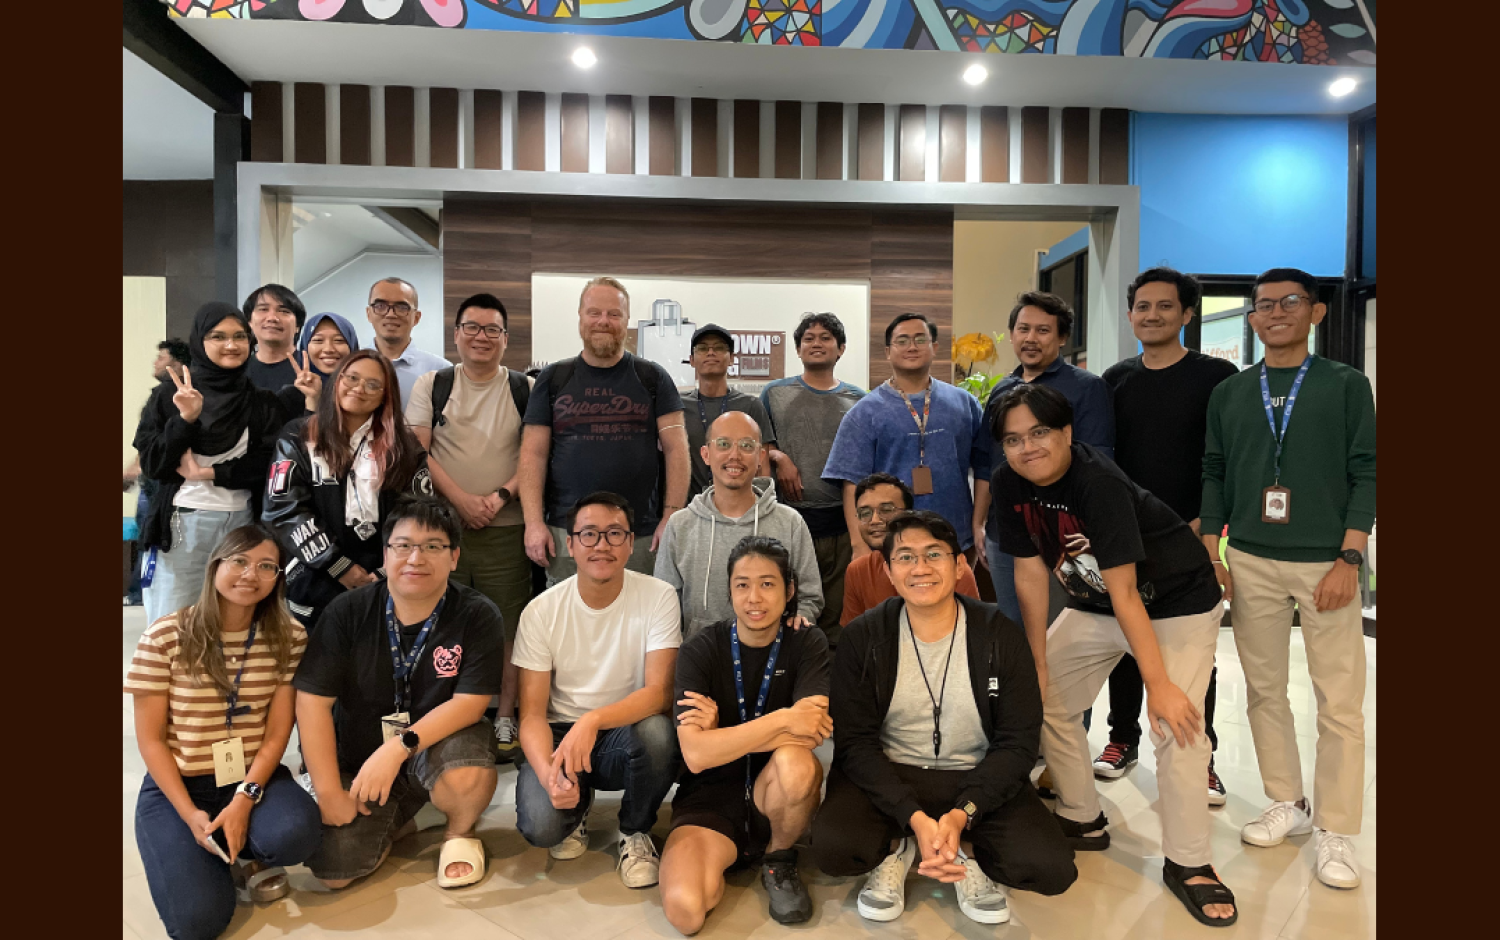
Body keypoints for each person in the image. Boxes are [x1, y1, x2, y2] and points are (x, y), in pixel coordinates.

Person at [991, 383, 1237, 927]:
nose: (1028, 447)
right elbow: (1030, 572)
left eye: (1039, 433)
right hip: (1094, 602)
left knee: (1178, 723)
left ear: (1067, 433)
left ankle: (1191, 863)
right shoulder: (1012, 484)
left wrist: (1160, 684)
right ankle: (1081, 816)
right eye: (1013, 439)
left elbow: (1126, 591)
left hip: (1175, 603)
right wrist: (1035, 658)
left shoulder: (1096, 481)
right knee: (1047, 697)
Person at [812, 510, 1075, 926]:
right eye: (905, 557)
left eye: (934, 554)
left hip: (975, 771)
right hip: (892, 773)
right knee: (834, 848)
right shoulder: (864, 635)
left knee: (1049, 867)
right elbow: (855, 743)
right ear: (889, 571)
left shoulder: (999, 632)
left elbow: (1018, 742)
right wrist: (912, 817)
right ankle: (902, 843)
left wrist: (963, 811)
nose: (920, 568)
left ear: (958, 565)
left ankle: (963, 848)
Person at [1201, 267, 1375, 890]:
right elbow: (1215, 470)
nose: (1275, 313)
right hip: (1249, 556)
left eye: (1289, 302)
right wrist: (1213, 551)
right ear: (1251, 318)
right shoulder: (1232, 392)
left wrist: (1350, 559)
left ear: (1316, 313)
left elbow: (1368, 472)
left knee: (1339, 702)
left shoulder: (1346, 385)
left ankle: (1337, 827)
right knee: (1265, 689)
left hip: (1325, 559)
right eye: (1263, 305)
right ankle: (1289, 804)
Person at [294, 497, 505, 890]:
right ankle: (398, 815)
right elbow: (311, 703)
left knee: (467, 768)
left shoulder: (477, 613)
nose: (416, 558)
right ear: (385, 554)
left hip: (431, 747)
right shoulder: (345, 611)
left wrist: (399, 747)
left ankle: (458, 833)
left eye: (432, 547)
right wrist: (328, 792)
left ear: (454, 557)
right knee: (335, 871)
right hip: (360, 759)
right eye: (403, 545)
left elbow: (471, 703)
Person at [126, 525, 320, 940]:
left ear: (278, 578)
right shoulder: (166, 635)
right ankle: (211, 851)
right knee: (198, 923)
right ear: (215, 565)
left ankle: (242, 849)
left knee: (296, 835)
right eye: (239, 561)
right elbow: (151, 740)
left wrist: (244, 800)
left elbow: (276, 735)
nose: (251, 574)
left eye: (266, 566)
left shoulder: (290, 637)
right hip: (179, 786)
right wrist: (189, 814)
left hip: (252, 779)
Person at [1095, 268, 1239, 801]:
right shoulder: (1114, 380)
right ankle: (1121, 739)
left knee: (1194, 648)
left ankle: (1201, 756)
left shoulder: (1215, 378)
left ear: (1187, 314)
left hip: (1191, 530)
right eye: (1142, 307)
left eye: (1164, 306)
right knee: (1128, 639)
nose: (1151, 315)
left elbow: (1224, 459)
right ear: (1130, 314)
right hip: (1126, 532)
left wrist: (1207, 519)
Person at [511, 492, 682, 888]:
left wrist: (594, 720)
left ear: (630, 542)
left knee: (659, 732)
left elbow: (659, 693)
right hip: (559, 735)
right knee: (542, 826)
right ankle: (574, 806)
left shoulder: (658, 597)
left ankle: (634, 831)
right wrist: (547, 772)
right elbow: (532, 715)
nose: (602, 545)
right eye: (589, 534)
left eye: (614, 534)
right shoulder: (541, 611)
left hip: (625, 730)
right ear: (569, 545)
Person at [661, 537, 831, 933]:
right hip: (710, 795)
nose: (754, 597)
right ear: (730, 590)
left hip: (774, 793)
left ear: (789, 591)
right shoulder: (701, 648)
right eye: (742, 584)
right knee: (686, 911)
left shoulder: (807, 642)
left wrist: (721, 735)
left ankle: (779, 857)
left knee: (795, 761)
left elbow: (811, 728)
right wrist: (784, 720)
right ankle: (721, 857)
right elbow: (697, 757)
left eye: (768, 584)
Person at [406, 293, 534, 761]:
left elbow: (534, 456)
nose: (482, 337)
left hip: (508, 527)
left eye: (492, 330)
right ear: (456, 334)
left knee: (508, 624)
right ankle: (444, 715)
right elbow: (420, 451)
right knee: (443, 621)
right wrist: (460, 502)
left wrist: (498, 498)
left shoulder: (525, 389)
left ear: (505, 338)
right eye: (472, 328)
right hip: (445, 530)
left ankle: (503, 715)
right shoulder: (432, 384)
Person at [519, 277, 690, 587]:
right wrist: (533, 523)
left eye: (614, 314)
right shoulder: (553, 378)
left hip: (641, 535)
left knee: (637, 626)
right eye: (594, 312)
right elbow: (533, 453)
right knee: (568, 627)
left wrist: (672, 516)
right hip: (566, 534)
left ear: (626, 321)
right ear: (581, 318)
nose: (603, 321)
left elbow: (677, 450)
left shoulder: (653, 378)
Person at [135, 302, 294, 626]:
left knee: (231, 625)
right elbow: (153, 464)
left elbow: (269, 465)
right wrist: (185, 419)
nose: (231, 345)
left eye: (239, 336)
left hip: (243, 524)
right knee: (175, 626)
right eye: (218, 336)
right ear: (200, 342)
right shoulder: (169, 395)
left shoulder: (260, 401)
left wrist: (211, 472)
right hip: (182, 525)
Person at [263, 350, 432, 630]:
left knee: (373, 666)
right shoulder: (298, 436)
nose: (359, 388)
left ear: (385, 394)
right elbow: (283, 508)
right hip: (314, 577)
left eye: (373, 384)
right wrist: (337, 565)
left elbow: (417, 510)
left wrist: (387, 567)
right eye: (351, 378)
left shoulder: (404, 445)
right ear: (337, 381)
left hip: (386, 577)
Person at [979, 291, 1115, 624]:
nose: (1031, 338)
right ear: (1012, 335)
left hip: (1063, 534)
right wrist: (978, 520)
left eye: (1043, 330)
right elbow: (987, 459)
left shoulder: (1086, 388)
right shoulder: (1001, 391)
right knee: (1012, 628)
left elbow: (1096, 462)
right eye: (1023, 329)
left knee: (1061, 634)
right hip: (1004, 531)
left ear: (1062, 338)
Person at [823, 313, 992, 568]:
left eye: (919, 339)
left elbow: (984, 468)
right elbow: (851, 484)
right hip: (889, 544)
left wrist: (979, 524)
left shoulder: (964, 404)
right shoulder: (864, 412)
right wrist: (859, 544)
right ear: (888, 352)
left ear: (934, 348)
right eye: (902, 340)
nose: (912, 346)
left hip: (957, 538)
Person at [655, 411, 823, 638]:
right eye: (723, 444)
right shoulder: (680, 525)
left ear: (760, 456)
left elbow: (810, 597)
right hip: (700, 659)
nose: (735, 455)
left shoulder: (790, 522)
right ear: (705, 454)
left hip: (771, 654)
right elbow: (664, 604)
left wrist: (799, 620)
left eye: (746, 445)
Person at [760, 313, 866, 646]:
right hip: (789, 521)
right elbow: (762, 445)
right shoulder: (774, 394)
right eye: (808, 338)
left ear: (841, 349)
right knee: (788, 609)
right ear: (798, 348)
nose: (816, 343)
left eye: (825, 338)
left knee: (837, 613)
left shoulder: (859, 400)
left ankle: (831, 690)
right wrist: (779, 457)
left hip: (840, 524)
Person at [841, 473, 981, 626]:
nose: (874, 520)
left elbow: (972, 633)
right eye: (865, 513)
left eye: (886, 510)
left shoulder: (949, 566)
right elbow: (853, 637)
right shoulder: (858, 570)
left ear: (908, 514)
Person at [127, 339, 194, 605]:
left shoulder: (172, 396)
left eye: (161, 357)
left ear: (177, 365)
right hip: (152, 482)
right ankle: (140, 594)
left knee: (153, 543)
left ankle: (142, 595)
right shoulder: (160, 395)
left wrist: (133, 471)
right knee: (147, 540)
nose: (156, 362)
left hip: (165, 486)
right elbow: (147, 443)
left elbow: (159, 446)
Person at [681, 323, 775, 500]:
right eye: (702, 348)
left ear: (731, 358)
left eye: (719, 348)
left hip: (741, 508)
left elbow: (762, 467)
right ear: (692, 360)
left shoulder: (750, 406)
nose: (710, 352)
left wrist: (762, 508)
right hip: (691, 509)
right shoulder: (678, 407)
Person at [365, 276, 450, 404]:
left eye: (402, 307)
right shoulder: (349, 367)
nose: (390, 314)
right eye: (380, 306)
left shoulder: (441, 371)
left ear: (416, 317)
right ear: (369, 313)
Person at [243, 284, 307, 392]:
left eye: (284, 311)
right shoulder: (238, 371)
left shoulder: (311, 368)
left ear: (298, 326)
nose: (272, 318)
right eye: (263, 309)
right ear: (250, 322)